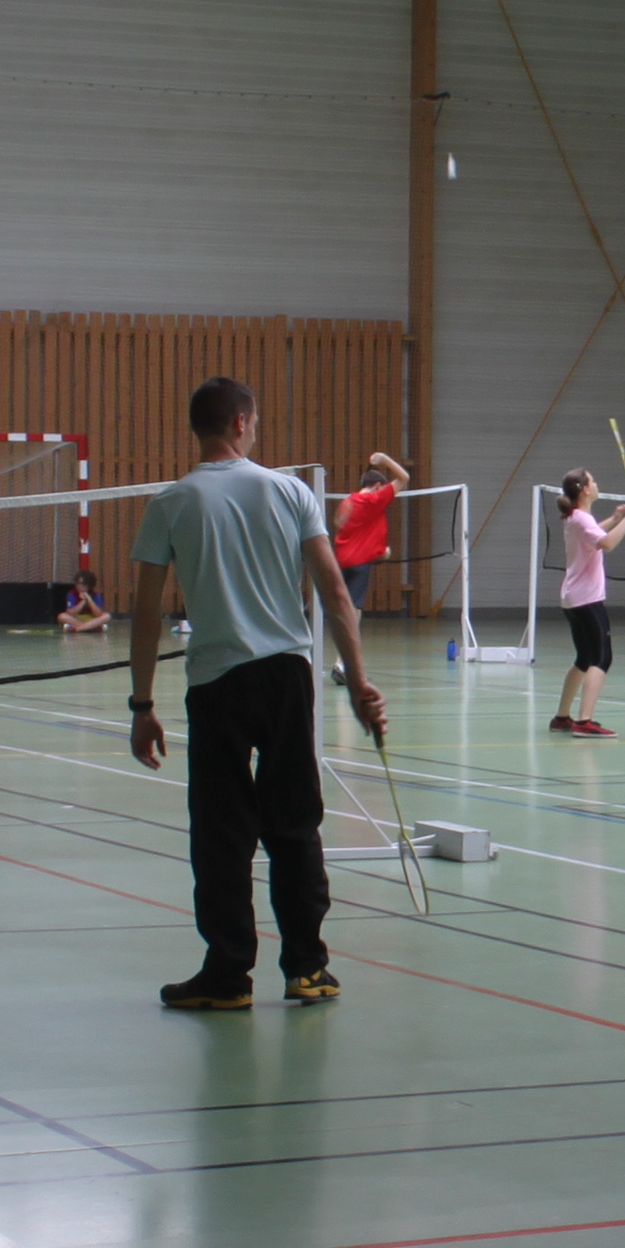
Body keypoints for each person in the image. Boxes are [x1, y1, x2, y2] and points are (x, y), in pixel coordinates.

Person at [124, 377, 388, 1010]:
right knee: (295, 825)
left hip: (216, 684)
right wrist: (357, 680)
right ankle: (308, 968)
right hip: (286, 678)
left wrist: (142, 705)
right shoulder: (290, 491)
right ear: (241, 423)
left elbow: (145, 612)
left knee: (221, 835)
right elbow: (334, 592)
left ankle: (227, 976)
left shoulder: (171, 503)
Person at [546, 468, 625, 738]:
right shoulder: (582, 519)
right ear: (585, 489)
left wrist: (615, 517)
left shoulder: (575, 517)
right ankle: (584, 721)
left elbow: (593, 536)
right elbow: (606, 544)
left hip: (573, 598)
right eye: (593, 481)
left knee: (584, 658)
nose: (597, 484)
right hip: (587, 599)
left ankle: (562, 717)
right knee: (602, 658)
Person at [331, 452, 410, 612]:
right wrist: (384, 459)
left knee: (341, 606)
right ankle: (352, 630)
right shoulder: (375, 500)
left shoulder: (347, 502)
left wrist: (379, 552)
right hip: (359, 564)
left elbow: (348, 530)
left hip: (340, 561)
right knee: (354, 608)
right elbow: (404, 477)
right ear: (378, 486)